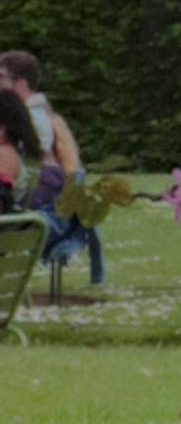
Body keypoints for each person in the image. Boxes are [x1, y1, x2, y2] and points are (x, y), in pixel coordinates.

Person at [0, 51, 100, 296]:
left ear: (20, 83)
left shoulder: (32, 120)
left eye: (1, 76)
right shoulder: (41, 114)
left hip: (30, 217)